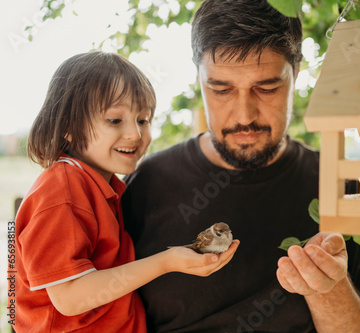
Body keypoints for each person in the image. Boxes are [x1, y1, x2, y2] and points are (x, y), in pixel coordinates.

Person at [122, 0, 360, 331]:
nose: (245, 116)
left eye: (267, 87)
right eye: (221, 89)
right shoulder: (145, 185)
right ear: (199, 79)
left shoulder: (341, 184)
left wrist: (327, 289)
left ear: (295, 74)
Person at [12, 51, 238, 332]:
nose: (135, 134)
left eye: (143, 120)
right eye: (114, 121)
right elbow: (70, 298)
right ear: (69, 126)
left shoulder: (103, 185)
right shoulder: (62, 190)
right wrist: (166, 262)